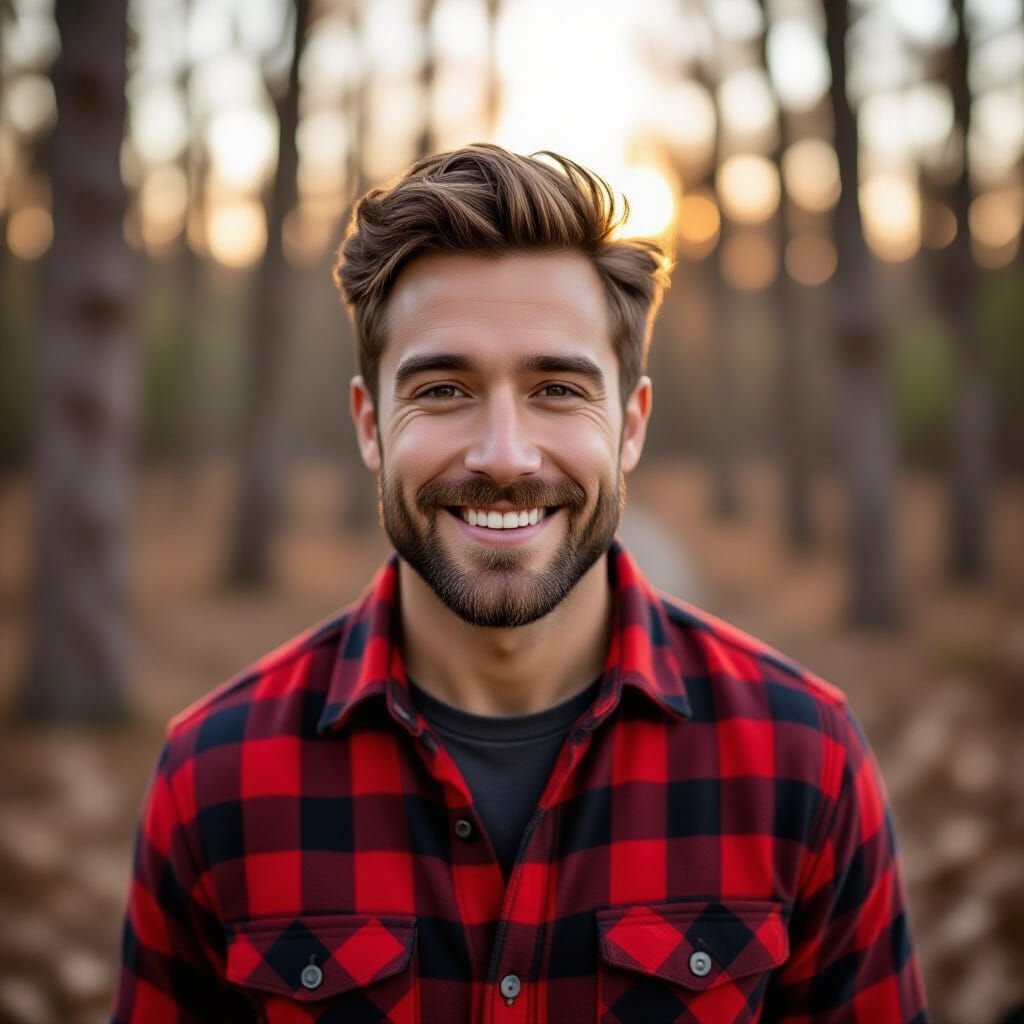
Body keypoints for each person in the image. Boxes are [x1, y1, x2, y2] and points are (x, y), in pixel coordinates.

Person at [111, 144, 928, 1023]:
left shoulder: (805, 760)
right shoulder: (214, 778)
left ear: (631, 427)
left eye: (557, 389)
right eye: (444, 388)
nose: (504, 455)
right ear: (370, 425)